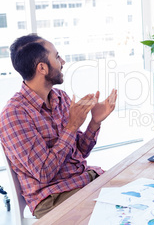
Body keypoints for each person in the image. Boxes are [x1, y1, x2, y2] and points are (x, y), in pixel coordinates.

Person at [0, 34, 117, 218]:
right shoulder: (14, 114)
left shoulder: (60, 98)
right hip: (53, 197)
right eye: (57, 56)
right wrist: (71, 126)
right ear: (42, 68)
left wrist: (94, 122)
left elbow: (80, 152)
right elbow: (44, 173)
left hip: (84, 180)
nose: (62, 61)